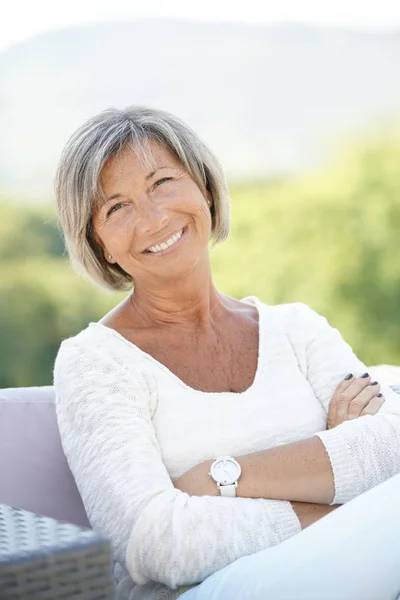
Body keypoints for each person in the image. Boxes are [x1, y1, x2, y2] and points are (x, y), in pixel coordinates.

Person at [53, 106, 400, 600]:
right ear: (100, 244)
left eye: (162, 182)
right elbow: (157, 542)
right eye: (116, 208)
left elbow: (390, 446)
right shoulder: (94, 362)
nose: (152, 218)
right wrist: (337, 499)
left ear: (206, 191)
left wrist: (219, 479)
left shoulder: (297, 328)